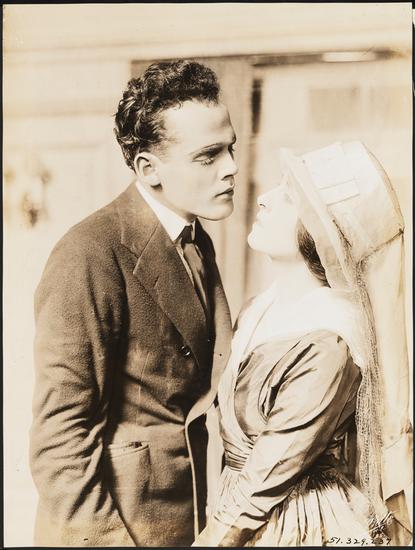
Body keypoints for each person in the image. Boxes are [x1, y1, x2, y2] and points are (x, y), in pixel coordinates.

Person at [30, 59, 238, 547]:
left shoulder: (196, 240)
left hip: (188, 518)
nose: (230, 167)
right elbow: (59, 444)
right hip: (121, 531)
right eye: (208, 156)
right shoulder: (89, 253)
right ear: (149, 169)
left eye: (231, 148)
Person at [193, 141, 412, 546]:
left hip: (295, 521)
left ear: (322, 232)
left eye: (289, 197)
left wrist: (213, 539)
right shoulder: (258, 310)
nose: (264, 199)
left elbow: (272, 469)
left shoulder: (330, 341)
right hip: (236, 504)